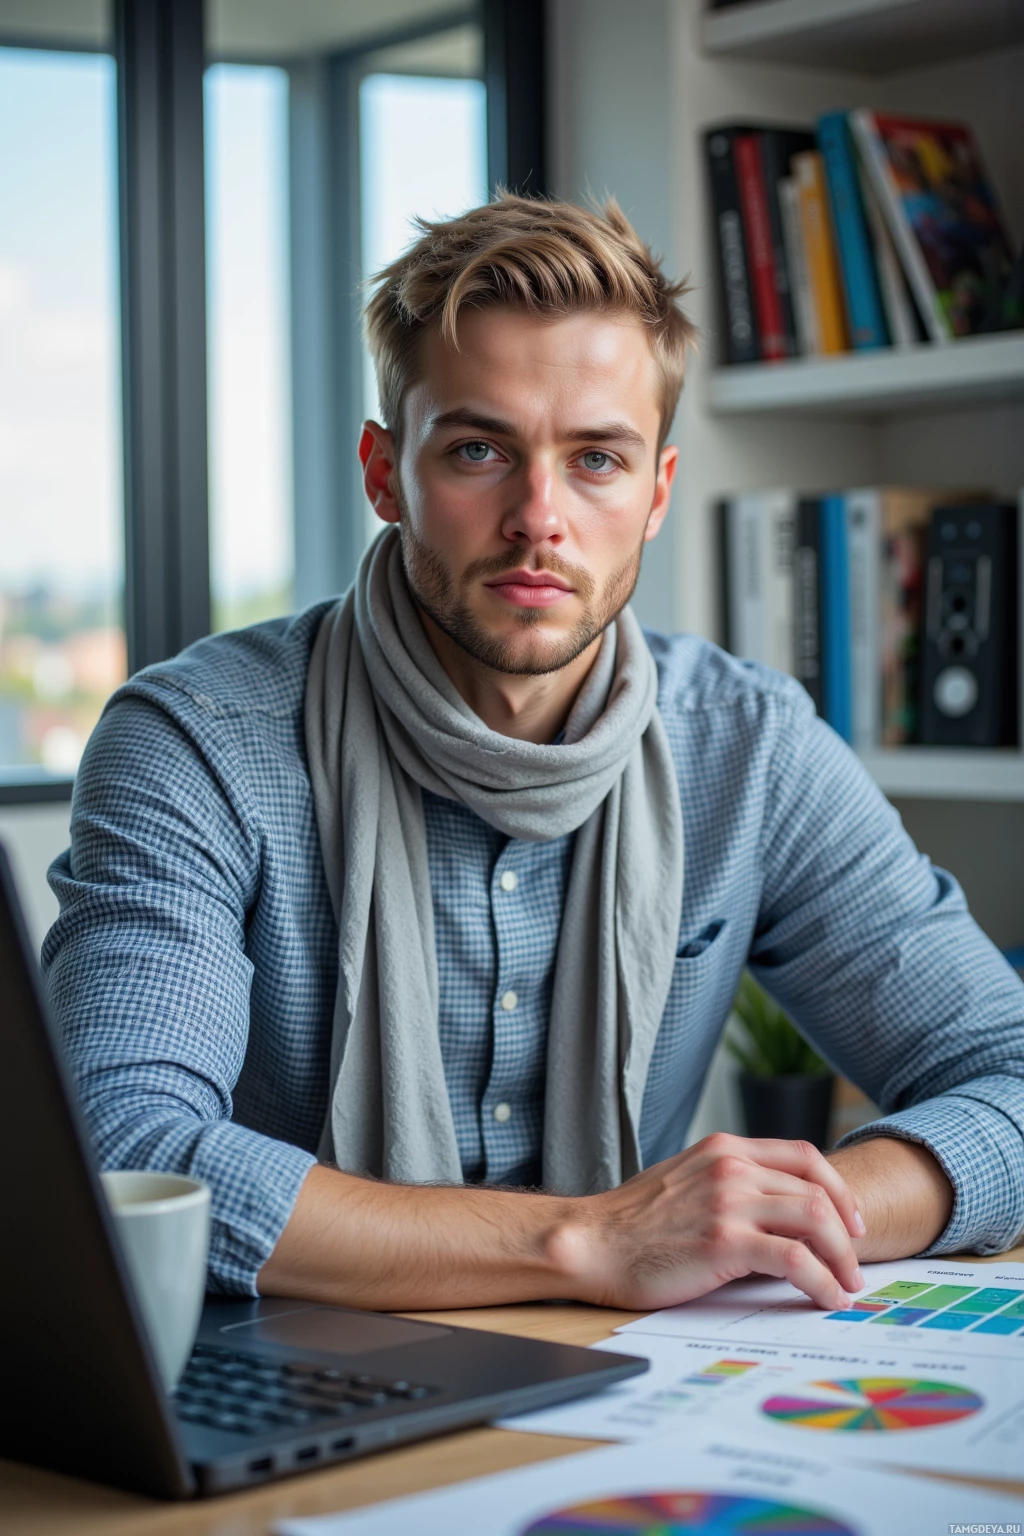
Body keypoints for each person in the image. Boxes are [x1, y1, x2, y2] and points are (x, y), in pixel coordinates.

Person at [44, 195, 1024, 1317]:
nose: (537, 517)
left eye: (596, 460)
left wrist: (775, 1211)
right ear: (383, 474)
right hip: (272, 1376)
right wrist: (588, 1242)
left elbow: (1010, 1074)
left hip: (633, 1391)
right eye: (477, 449)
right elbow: (128, 1154)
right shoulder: (197, 743)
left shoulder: (750, 749)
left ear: (654, 493)